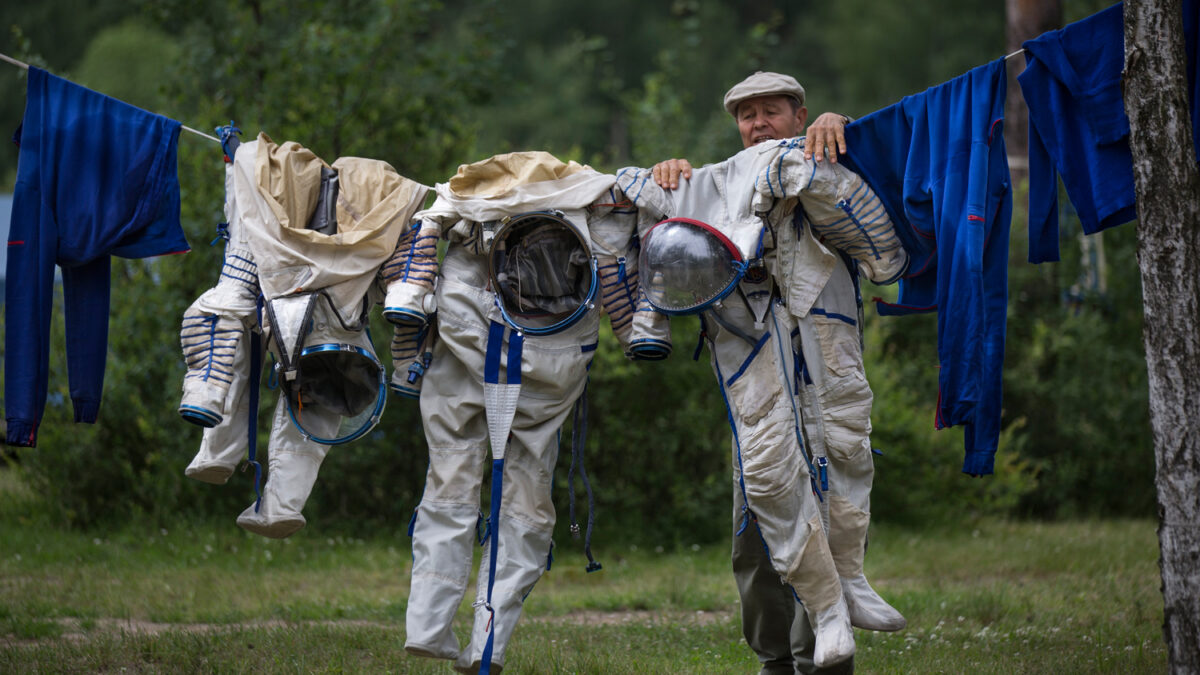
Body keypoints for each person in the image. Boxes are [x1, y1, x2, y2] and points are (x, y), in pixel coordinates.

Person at [650, 72, 906, 674]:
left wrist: (842, 126)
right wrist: (669, 175)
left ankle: (827, 649)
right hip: (756, 384)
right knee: (757, 518)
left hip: (826, 376)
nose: (758, 124)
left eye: (772, 111)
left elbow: (884, 249)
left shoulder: (832, 157)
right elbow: (664, 245)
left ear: (800, 114)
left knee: (838, 486)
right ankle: (775, 659)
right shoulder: (715, 189)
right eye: (747, 116)